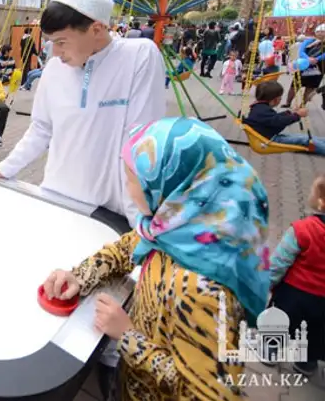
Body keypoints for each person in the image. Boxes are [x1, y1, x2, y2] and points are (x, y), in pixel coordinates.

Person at [43, 117, 271, 401]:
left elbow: (210, 394)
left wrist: (128, 337)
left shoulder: (202, 290)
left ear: (171, 184)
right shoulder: (181, 229)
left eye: (132, 180)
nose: (127, 188)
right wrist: (81, 275)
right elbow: (127, 247)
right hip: (133, 381)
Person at [0, 0, 165, 223]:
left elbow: (141, 143)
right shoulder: (54, 70)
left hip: (110, 210)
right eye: (51, 43)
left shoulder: (138, 57)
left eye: (61, 42)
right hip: (57, 198)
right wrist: (6, 168)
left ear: (96, 29)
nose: (55, 53)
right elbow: (41, 128)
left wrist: (138, 222)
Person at [268, 175, 325, 376]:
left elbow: (279, 261)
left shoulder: (303, 229)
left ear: (320, 201)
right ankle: (306, 363)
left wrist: (268, 283)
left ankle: (270, 351)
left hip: (294, 296)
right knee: (315, 334)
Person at [244, 81, 325, 154]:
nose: (281, 99)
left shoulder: (259, 107)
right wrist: (297, 115)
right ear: (275, 100)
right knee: (305, 140)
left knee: (305, 137)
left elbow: (274, 118)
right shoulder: (262, 110)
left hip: (268, 136)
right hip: (269, 140)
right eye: (280, 98)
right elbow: (279, 121)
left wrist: (290, 112)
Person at [282, 24, 325, 108]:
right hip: (303, 66)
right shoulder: (309, 41)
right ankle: (288, 102)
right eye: (318, 31)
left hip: (319, 68)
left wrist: (317, 59)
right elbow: (301, 51)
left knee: (310, 88)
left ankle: (302, 106)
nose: (320, 33)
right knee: (294, 85)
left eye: (322, 31)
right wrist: (308, 58)